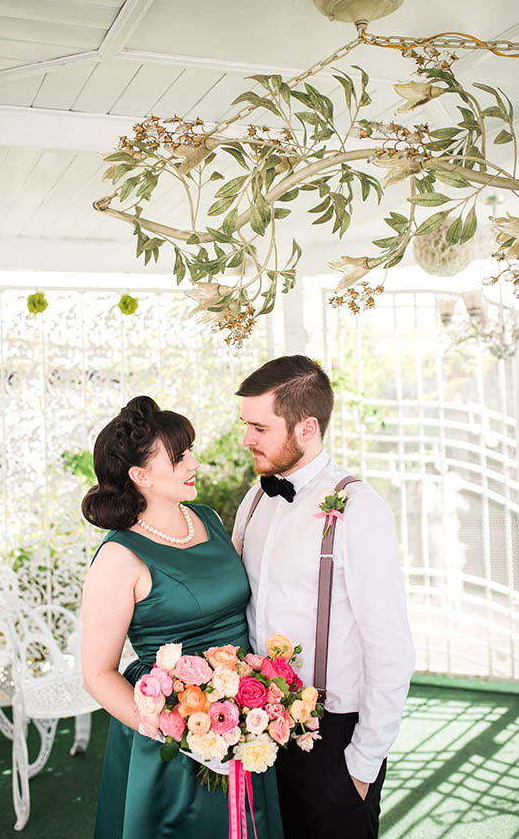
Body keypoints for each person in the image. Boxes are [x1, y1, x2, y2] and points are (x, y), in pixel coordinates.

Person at [81, 395, 284, 839]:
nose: (194, 462)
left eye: (189, 449)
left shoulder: (207, 519)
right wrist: (175, 732)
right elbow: (97, 673)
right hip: (173, 737)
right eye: (179, 457)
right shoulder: (118, 558)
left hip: (244, 717)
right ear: (140, 476)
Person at [233, 355, 415, 839]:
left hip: (335, 737)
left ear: (307, 427)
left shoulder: (360, 509)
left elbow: (391, 647)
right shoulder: (254, 502)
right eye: (245, 424)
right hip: (262, 729)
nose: (247, 438)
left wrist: (362, 763)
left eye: (259, 426)